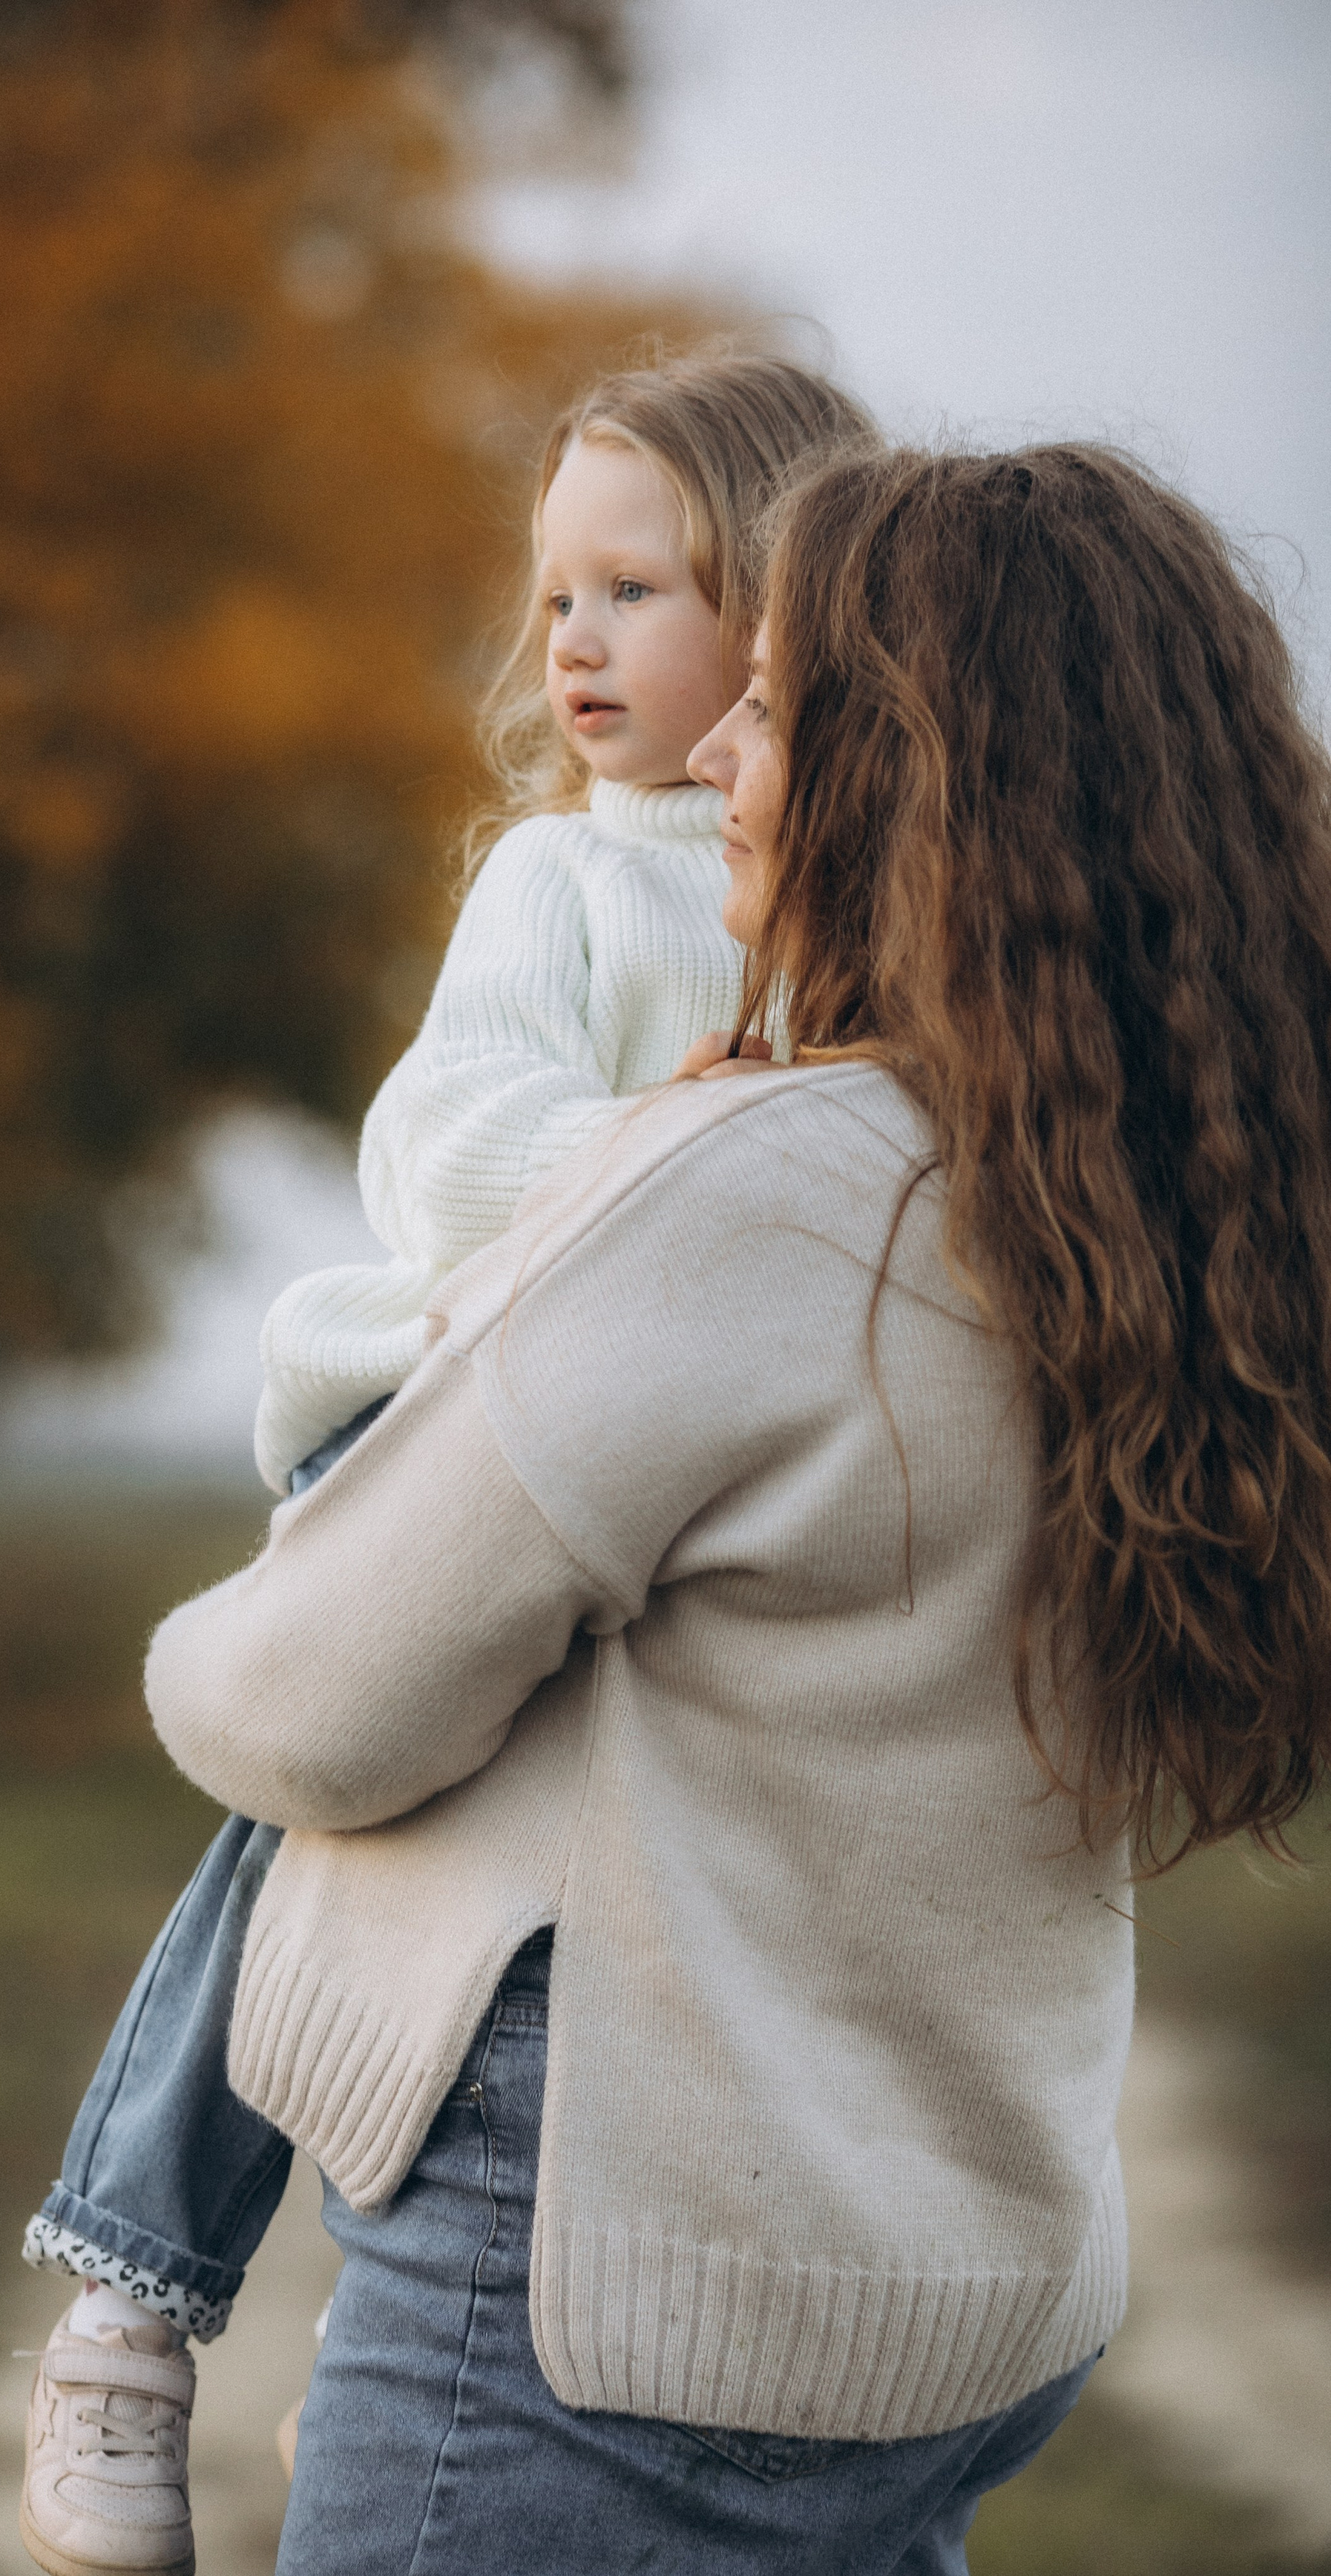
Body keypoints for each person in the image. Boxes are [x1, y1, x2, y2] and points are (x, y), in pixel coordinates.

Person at [141, 443, 1331, 2575]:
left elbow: (301, 1708)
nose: (723, 758)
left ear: (912, 776)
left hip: (618, 2331)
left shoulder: (772, 1187)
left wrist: (207, 1634)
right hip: (954, 2314)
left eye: (774, 703)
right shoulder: (1165, 1209)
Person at [17, 350, 873, 2576]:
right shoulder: (559, 895)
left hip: (693, 1503)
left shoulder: (875, 895)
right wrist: (690, 1160)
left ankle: (444, 2380)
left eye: (639, 590)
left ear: (791, 624)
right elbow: (459, 1145)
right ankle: (132, 2285)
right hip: (443, 1419)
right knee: (303, 1830)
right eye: (553, 593)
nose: (571, 644)